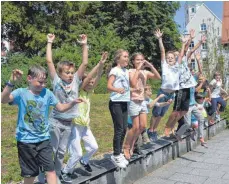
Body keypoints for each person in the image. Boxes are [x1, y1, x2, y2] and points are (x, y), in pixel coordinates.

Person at [1, 65, 84, 184]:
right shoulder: (21, 93)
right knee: (30, 174)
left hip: (44, 139)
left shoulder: (48, 93)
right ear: (29, 78)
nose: (43, 85)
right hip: (26, 141)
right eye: (40, 82)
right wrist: (11, 83)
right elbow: (3, 99)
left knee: (50, 171)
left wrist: (73, 103)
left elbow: (60, 108)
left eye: (45, 82)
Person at [45, 33, 88, 183]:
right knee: (53, 150)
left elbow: (84, 64)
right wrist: (50, 42)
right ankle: (45, 175)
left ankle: (56, 175)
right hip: (55, 121)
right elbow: (49, 61)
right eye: (67, 72)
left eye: (71, 72)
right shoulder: (56, 81)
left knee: (62, 152)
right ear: (60, 73)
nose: (70, 75)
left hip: (68, 123)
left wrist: (84, 45)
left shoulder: (76, 81)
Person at [61, 52, 108, 179]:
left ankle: (84, 161)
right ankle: (66, 171)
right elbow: (88, 78)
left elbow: (97, 77)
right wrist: (98, 64)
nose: (92, 83)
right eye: (89, 82)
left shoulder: (89, 93)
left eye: (93, 83)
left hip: (85, 126)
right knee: (77, 153)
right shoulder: (79, 91)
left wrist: (101, 65)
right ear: (83, 83)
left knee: (94, 147)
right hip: (75, 126)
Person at [123, 52, 161, 160]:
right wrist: (138, 69)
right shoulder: (130, 71)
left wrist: (151, 66)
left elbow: (158, 77)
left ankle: (132, 145)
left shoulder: (145, 72)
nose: (140, 62)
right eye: (137, 60)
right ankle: (126, 147)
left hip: (142, 101)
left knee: (143, 126)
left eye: (142, 60)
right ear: (133, 61)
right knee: (135, 127)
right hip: (133, 100)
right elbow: (133, 84)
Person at [164, 29, 198, 137]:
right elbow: (182, 52)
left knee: (184, 111)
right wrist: (184, 43)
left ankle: (173, 126)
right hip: (181, 88)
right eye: (175, 56)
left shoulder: (182, 60)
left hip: (188, 87)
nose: (180, 56)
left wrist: (191, 39)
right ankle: (167, 127)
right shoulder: (174, 66)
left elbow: (186, 51)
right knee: (176, 111)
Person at [148, 29, 180, 141]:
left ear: (175, 59)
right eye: (168, 58)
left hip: (171, 95)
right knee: (156, 113)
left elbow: (183, 54)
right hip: (163, 93)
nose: (170, 59)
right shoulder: (165, 66)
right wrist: (160, 39)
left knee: (161, 115)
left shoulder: (177, 67)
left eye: (172, 58)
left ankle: (154, 130)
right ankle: (150, 130)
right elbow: (162, 51)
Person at [128, 85, 172, 154]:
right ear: (144, 92)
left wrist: (167, 103)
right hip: (133, 123)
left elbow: (159, 105)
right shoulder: (141, 100)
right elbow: (150, 105)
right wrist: (158, 97)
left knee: (143, 139)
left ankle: (135, 149)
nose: (151, 92)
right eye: (149, 90)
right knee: (137, 138)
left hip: (141, 125)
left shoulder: (148, 99)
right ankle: (131, 149)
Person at [107, 49, 130, 168]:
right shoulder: (115, 70)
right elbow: (109, 86)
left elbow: (125, 85)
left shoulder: (125, 71)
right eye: (125, 56)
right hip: (115, 103)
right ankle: (115, 155)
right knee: (119, 129)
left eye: (128, 56)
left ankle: (119, 152)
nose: (127, 58)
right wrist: (117, 90)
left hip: (124, 102)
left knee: (125, 128)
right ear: (118, 59)